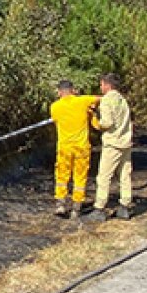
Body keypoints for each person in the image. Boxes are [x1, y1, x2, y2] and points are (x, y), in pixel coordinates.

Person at [83, 73, 133, 223]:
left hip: (113, 143)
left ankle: (99, 208)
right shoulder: (122, 100)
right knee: (125, 174)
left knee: (104, 177)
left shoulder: (106, 101)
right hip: (125, 141)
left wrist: (95, 120)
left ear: (107, 85)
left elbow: (107, 123)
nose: (100, 87)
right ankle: (125, 205)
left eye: (101, 84)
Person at [50, 80, 99, 217]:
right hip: (81, 147)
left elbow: (56, 120)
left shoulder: (54, 107)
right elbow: (100, 98)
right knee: (80, 177)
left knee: (62, 175)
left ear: (59, 92)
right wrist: (91, 109)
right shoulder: (82, 101)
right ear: (73, 90)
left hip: (64, 147)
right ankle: (76, 207)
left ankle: (60, 203)